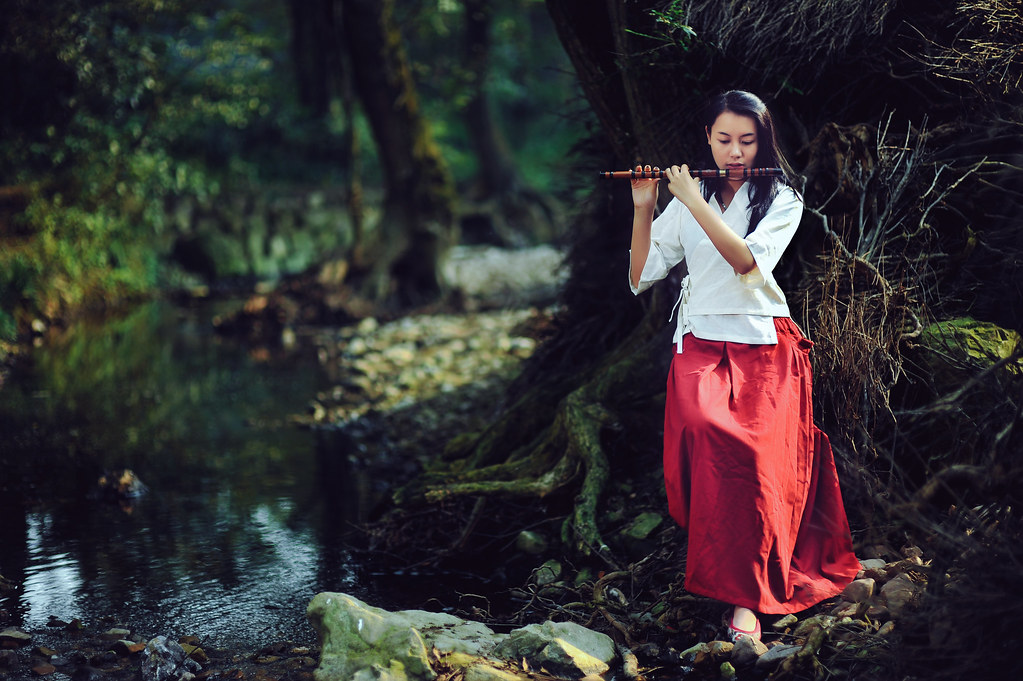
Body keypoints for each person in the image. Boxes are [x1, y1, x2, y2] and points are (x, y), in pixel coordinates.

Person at [628, 90, 861, 643]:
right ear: (707, 137)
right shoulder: (688, 196)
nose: (735, 153)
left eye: (748, 141)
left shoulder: (782, 196)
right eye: (724, 139)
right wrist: (645, 205)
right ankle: (733, 581)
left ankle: (746, 605)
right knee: (710, 440)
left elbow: (746, 262)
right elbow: (641, 277)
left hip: (762, 344)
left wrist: (691, 199)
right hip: (701, 343)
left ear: (764, 141)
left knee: (755, 465)